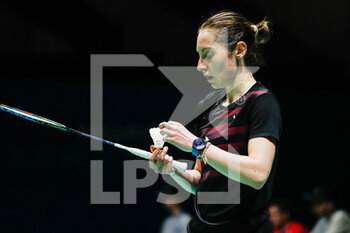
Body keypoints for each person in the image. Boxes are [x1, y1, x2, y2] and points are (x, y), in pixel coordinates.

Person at [149, 10, 282, 233]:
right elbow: (201, 182)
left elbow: (257, 174)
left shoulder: (261, 103)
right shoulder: (210, 110)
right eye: (199, 55)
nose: (200, 65)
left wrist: (196, 145)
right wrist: (172, 170)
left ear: (239, 50)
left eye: (207, 54)